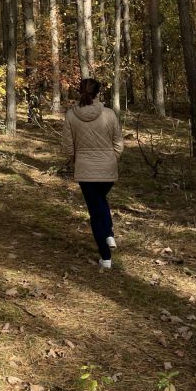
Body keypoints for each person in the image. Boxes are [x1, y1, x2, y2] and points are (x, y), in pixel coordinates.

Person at [62, 77, 124, 269]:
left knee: (95, 211)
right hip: (107, 170)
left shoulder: (71, 115)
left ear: (80, 92)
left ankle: (106, 257)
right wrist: (111, 159)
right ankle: (109, 235)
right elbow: (119, 142)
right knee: (100, 203)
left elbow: (67, 146)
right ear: (98, 93)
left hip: (86, 171)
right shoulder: (109, 114)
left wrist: (77, 160)